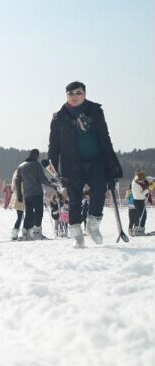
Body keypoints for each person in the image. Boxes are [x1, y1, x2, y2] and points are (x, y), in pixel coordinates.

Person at [49, 81, 123, 248]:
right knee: (74, 198)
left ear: (85, 94)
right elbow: (54, 146)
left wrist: (112, 164)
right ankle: (77, 235)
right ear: (66, 95)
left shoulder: (95, 111)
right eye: (71, 93)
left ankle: (93, 226)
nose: (75, 96)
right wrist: (52, 170)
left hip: (96, 159)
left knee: (99, 192)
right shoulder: (58, 117)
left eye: (78, 92)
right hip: (72, 163)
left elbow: (106, 138)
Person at [14, 149, 57, 240]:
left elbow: (17, 181)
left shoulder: (20, 166)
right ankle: (37, 233)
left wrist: (19, 195)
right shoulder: (37, 165)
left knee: (28, 213)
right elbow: (43, 179)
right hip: (37, 193)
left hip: (27, 194)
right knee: (39, 213)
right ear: (36, 155)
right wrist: (52, 185)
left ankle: (25, 233)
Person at [131, 170, 151, 235]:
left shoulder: (137, 179)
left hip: (140, 201)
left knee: (140, 215)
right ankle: (140, 230)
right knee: (143, 216)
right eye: (142, 180)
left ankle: (137, 228)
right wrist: (149, 189)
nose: (143, 181)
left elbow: (145, 179)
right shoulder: (136, 185)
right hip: (138, 201)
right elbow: (141, 194)